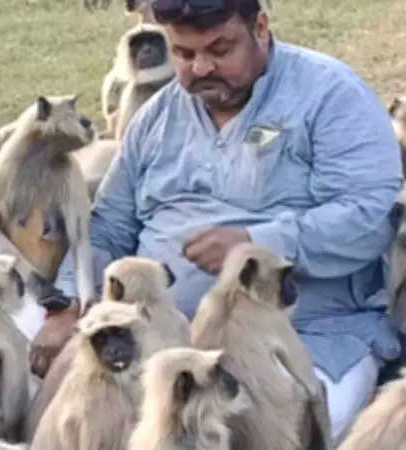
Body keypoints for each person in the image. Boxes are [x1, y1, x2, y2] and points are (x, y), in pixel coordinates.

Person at [31, 0, 403, 442]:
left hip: (301, 339)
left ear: (260, 27)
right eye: (183, 53)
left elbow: (370, 216)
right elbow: (109, 226)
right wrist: (66, 304)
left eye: (220, 49)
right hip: (147, 341)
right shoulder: (157, 116)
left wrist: (256, 243)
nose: (201, 67)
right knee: (39, 398)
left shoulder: (330, 97)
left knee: (259, 431)